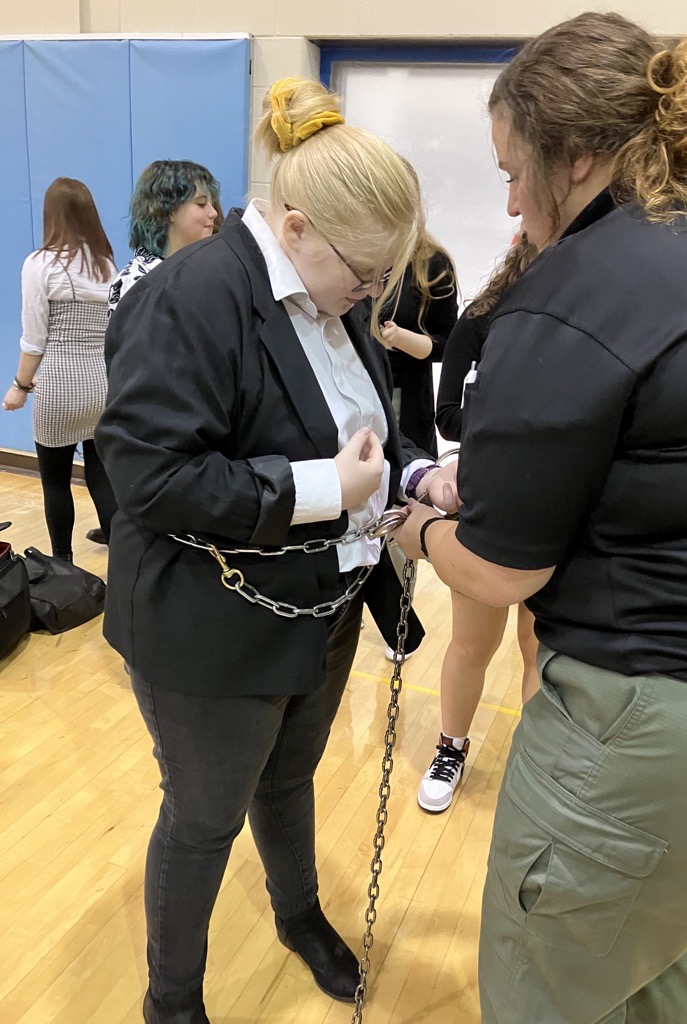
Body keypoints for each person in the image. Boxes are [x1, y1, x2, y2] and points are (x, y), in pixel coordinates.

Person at [393, 14, 687, 1023]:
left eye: (515, 171)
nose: (510, 200)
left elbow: (498, 573)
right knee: (668, 967)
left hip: (647, 726)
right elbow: (672, 455)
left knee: (545, 991)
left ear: (581, 154)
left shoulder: (575, 289)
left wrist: (411, 527)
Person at [96, 77, 457, 1024]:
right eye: (365, 271)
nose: (373, 294)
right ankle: (171, 1000)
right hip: (211, 624)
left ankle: (296, 913)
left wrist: (416, 478)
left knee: (290, 776)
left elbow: (365, 426)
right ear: (294, 225)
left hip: (321, 607)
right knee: (205, 816)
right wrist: (313, 490)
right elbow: (148, 478)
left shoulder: (334, 296)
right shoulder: (190, 299)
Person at [417, 233, 539, 814]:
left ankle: (534, 762)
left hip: (556, 507)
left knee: (538, 645)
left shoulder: (594, 324)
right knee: (473, 642)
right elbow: (446, 415)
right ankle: (451, 745)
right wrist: (501, 426)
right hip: (485, 499)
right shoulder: (481, 319)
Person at [2, 178, 118, 560]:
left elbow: (34, 338)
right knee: (100, 473)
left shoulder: (41, 264)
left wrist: (19, 386)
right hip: (101, 386)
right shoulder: (105, 264)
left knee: (55, 481)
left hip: (59, 388)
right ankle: (121, 552)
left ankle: (62, 563)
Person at [377, 170, 458, 459]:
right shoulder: (353, 251)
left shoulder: (432, 265)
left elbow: (450, 345)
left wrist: (400, 338)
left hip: (404, 399)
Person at [107, 159, 221, 315]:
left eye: (211, 203)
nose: (213, 213)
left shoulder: (201, 271)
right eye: (201, 204)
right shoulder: (138, 281)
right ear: (169, 211)